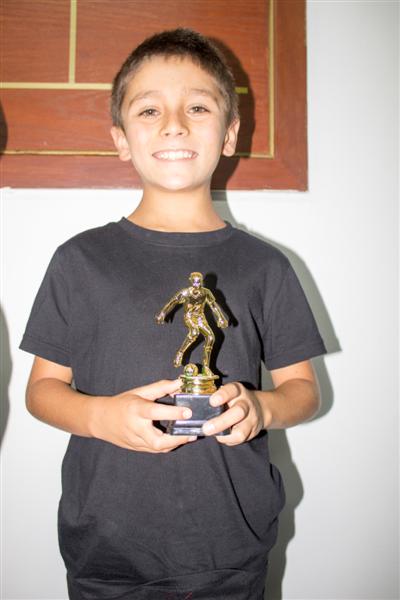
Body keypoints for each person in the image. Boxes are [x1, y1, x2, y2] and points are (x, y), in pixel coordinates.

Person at [20, 28, 326, 600]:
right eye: (149, 110)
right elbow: (41, 392)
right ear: (121, 139)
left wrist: (261, 407)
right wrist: (101, 417)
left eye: (198, 107)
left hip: (229, 551)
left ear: (230, 134)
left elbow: (304, 391)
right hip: (107, 551)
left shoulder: (267, 266)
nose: (174, 125)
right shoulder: (79, 260)